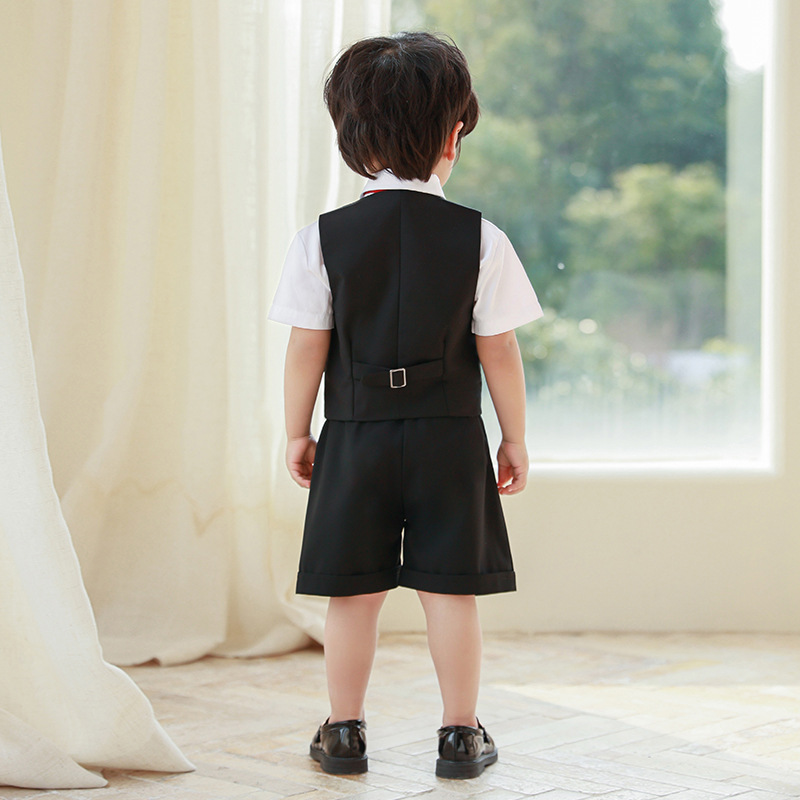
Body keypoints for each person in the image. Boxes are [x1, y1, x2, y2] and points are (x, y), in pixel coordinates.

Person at [268, 31, 542, 780]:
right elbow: (499, 350)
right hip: (450, 437)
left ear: (352, 141)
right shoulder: (481, 238)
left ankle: (344, 731)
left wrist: (297, 430)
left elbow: (305, 348)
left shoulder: (320, 240)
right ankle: (459, 735)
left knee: (352, 592)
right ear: (455, 135)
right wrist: (513, 437)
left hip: (353, 436)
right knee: (451, 590)